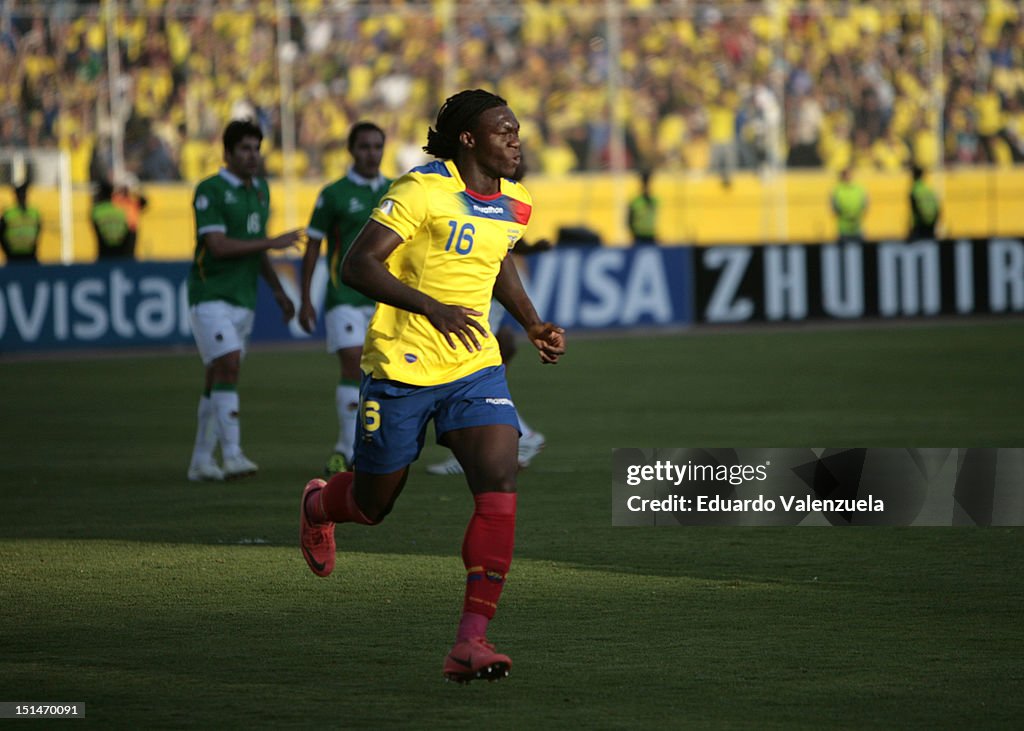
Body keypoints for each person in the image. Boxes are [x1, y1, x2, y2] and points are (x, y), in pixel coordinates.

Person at [297, 89, 566, 684]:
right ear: (469, 138)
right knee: (374, 504)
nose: (516, 141)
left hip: (474, 368)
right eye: (504, 131)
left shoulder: (517, 204)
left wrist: (531, 322)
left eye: (518, 130)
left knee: (500, 478)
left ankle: (470, 642)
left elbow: (497, 260)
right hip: (402, 367)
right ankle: (319, 505)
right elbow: (358, 264)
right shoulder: (420, 189)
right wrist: (431, 307)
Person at [185, 119, 304, 482]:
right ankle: (232, 454)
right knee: (230, 364)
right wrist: (272, 242)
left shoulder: (261, 191)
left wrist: (280, 291)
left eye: (256, 148)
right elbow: (218, 247)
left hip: (243, 298)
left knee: (217, 375)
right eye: (245, 149)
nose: (252, 156)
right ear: (227, 153)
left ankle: (201, 462)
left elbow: (256, 250)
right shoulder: (210, 190)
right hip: (210, 295)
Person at [426, 159, 552, 476]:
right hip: (477, 299)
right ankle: (485, 449)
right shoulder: (494, 197)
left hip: (479, 299)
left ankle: (514, 439)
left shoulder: (505, 199)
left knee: (457, 378)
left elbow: (500, 251)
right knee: (470, 376)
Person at [298, 121, 392, 476]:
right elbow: (313, 245)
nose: (372, 153)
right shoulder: (333, 194)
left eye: (377, 146)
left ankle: (366, 446)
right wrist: (306, 298)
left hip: (385, 297)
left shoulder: (395, 191)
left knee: (382, 372)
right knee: (353, 365)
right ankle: (347, 446)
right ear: (351, 151)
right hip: (344, 295)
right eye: (365, 146)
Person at [0, 182, 41, 263]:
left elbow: (38, 231)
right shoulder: (8, 214)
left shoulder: (34, 213)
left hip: (30, 255)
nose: (22, 197)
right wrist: (7, 251)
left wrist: (33, 248)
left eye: (23, 194)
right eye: (20, 194)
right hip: (13, 257)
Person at [91, 180, 132, 259]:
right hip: (121, 253)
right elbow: (127, 232)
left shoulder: (95, 211)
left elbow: (96, 231)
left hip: (103, 253)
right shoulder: (122, 211)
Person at [830, 166, 869, 245]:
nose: (848, 176)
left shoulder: (859, 189)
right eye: (845, 174)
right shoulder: (837, 190)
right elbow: (834, 208)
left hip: (857, 226)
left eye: (849, 174)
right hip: (843, 228)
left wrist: (858, 214)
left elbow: (865, 204)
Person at [112, 177, 148, 257]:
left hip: (132, 230)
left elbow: (145, 202)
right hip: (119, 230)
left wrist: (136, 191)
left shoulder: (133, 200)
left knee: (129, 254)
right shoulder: (116, 199)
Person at [908, 165, 940, 241]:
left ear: (913, 176)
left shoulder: (914, 190)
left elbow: (914, 210)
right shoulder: (929, 189)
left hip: (919, 226)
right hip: (931, 224)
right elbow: (937, 207)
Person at [627, 169, 658, 245]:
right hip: (639, 236)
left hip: (652, 235)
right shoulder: (635, 201)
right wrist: (633, 233)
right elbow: (629, 220)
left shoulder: (654, 200)